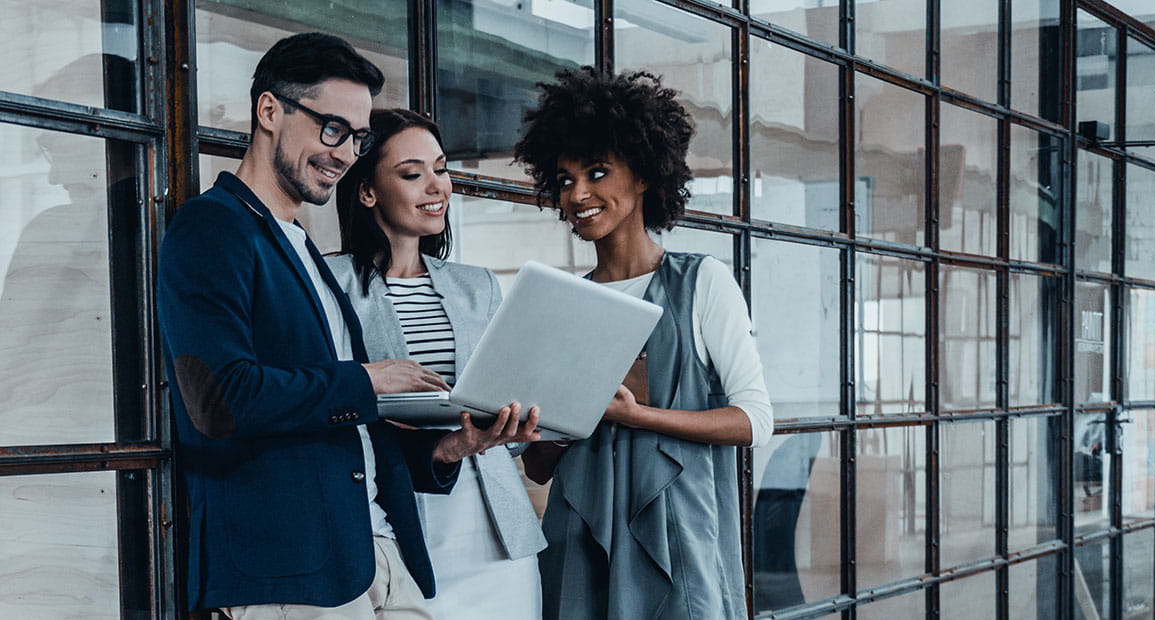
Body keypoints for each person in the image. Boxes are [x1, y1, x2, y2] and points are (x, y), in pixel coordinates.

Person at [157, 33, 520, 618]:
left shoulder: (300, 244)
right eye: (332, 129)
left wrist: (454, 446)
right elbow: (219, 400)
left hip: (374, 551)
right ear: (269, 110)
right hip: (292, 571)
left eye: (357, 137)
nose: (346, 153)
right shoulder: (211, 228)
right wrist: (369, 380)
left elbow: (338, 426)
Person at [514, 67, 774, 619]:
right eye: (564, 180)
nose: (578, 193)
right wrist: (565, 418)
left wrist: (639, 418)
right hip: (578, 539)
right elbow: (537, 467)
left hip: (678, 537)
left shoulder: (701, 281)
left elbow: (753, 420)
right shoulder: (561, 304)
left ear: (644, 175)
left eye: (597, 172)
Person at [327, 108, 547, 618]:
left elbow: (500, 395)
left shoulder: (478, 285)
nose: (436, 187)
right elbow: (333, 404)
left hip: (496, 531)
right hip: (401, 520)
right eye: (412, 174)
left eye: (441, 169)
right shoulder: (329, 283)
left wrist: (518, 420)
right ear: (367, 191)